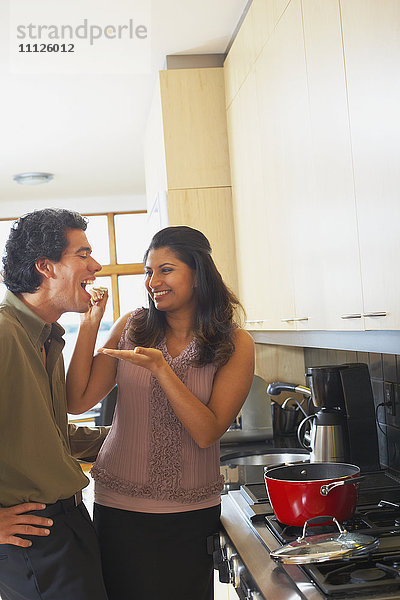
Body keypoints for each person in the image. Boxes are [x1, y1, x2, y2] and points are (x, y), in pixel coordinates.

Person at [66, 225, 255, 600]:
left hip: (190, 513)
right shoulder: (132, 326)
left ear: (198, 274)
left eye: (166, 270)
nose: (153, 281)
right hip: (118, 508)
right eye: (149, 271)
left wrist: (161, 370)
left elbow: (207, 431)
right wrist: (90, 323)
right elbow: (78, 401)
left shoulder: (235, 343)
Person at [0, 208, 110, 600]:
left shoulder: (48, 336)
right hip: (29, 536)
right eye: (82, 254)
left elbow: (46, 436)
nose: (95, 265)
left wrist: (128, 437)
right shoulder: (2, 333)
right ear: (45, 266)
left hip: (67, 522)